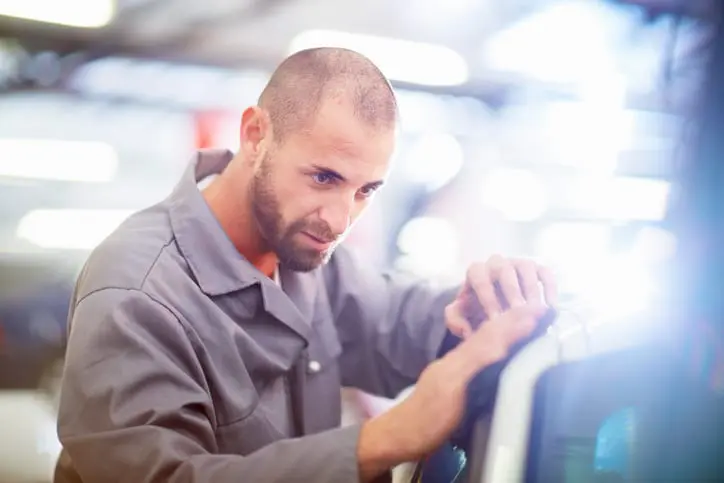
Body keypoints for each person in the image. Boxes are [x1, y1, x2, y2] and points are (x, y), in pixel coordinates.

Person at [54, 47, 557, 483]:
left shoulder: (306, 258)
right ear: (255, 135)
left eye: (365, 191)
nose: (341, 220)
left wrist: (488, 304)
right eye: (323, 177)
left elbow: (399, 319)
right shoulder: (136, 294)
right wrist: (382, 441)